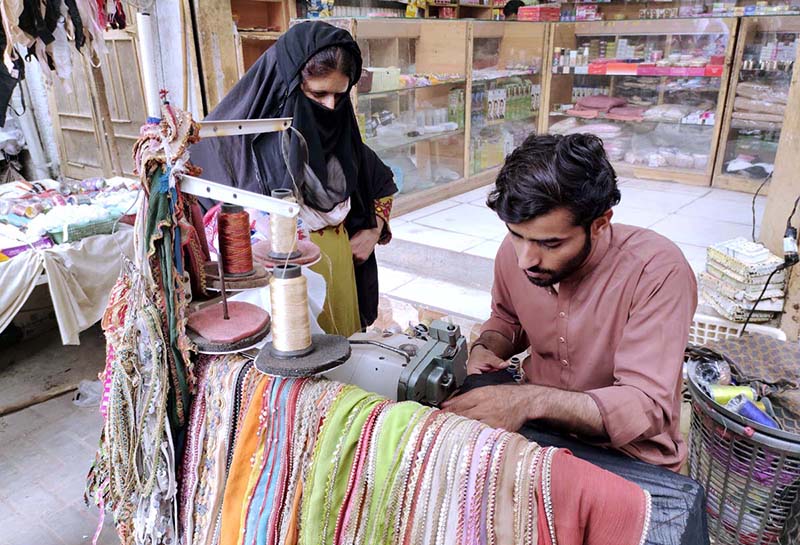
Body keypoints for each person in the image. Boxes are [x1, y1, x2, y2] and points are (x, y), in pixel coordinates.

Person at [442, 133, 708, 544]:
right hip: (541, 439)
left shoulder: (657, 272)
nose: (526, 258)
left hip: (630, 457)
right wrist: (487, 345)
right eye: (516, 235)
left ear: (600, 223)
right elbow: (507, 317)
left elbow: (646, 404)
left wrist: (530, 399)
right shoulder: (519, 254)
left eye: (550, 243)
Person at [191, 21, 397, 337]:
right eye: (319, 93)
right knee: (299, 358)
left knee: (343, 356)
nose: (330, 106)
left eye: (339, 95)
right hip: (282, 282)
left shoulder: (340, 136)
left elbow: (382, 183)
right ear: (287, 84)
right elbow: (206, 218)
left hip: (340, 262)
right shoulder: (230, 142)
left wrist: (373, 229)